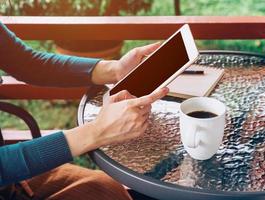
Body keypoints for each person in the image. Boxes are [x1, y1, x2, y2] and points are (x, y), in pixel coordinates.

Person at [0, 21, 168, 199]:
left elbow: (28, 63)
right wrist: (96, 132)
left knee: (107, 188)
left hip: (10, 180)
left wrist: (115, 70)